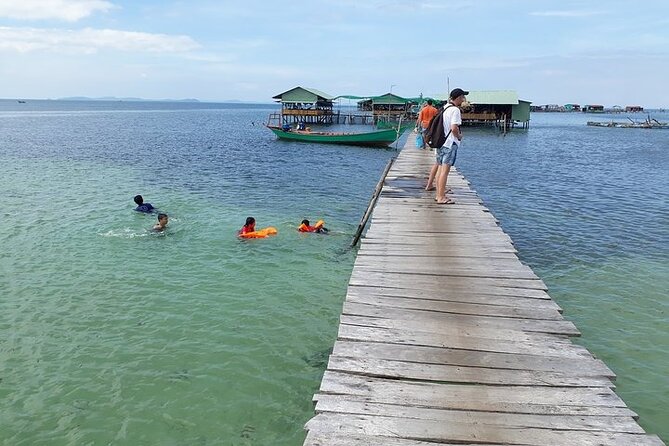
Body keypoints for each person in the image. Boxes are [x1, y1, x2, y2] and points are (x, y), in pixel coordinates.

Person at [435, 88, 468, 204]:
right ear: (458, 98)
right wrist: (459, 136)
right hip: (449, 143)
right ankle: (441, 197)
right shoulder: (455, 110)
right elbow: (454, 128)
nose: (464, 99)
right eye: (463, 97)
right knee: (445, 171)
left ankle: (438, 194)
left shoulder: (444, 107)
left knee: (440, 169)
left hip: (440, 142)